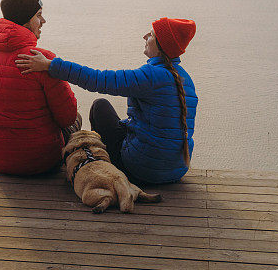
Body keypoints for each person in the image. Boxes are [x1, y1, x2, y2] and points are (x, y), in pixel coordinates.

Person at [15, 17, 198, 184]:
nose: (145, 36)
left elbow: (97, 79)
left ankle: (103, 165)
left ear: (161, 45)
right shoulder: (185, 79)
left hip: (142, 170)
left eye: (151, 35)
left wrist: (50, 65)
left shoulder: (150, 76)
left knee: (99, 107)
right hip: (176, 170)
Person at [0, 0, 81, 176]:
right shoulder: (42, 60)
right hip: (41, 161)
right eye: (39, 15)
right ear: (26, 20)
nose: (43, 21)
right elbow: (67, 117)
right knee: (76, 119)